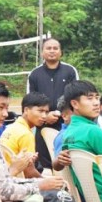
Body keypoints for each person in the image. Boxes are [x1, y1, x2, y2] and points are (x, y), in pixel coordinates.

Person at [61, 81, 102, 202]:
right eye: (90, 98)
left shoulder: (69, 132)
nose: (96, 103)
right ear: (75, 104)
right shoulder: (92, 130)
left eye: (97, 98)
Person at [26, 37, 78, 170]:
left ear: (61, 52)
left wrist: (60, 114)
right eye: (48, 48)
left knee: (67, 161)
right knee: (45, 164)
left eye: (55, 48)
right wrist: (45, 116)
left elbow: (75, 97)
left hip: (66, 124)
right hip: (42, 125)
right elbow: (30, 102)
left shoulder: (70, 71)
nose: (52, 51)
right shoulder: (34, 74)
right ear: (42, 52)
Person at [0, 92, 50, 178]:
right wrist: (45, 181)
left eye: (46, 112)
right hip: (16, 179)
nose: (44, 116)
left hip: (4, 174)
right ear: (26, 110)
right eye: (40, 111)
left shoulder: (12, 127)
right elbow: (29, 172)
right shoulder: (25, 134)